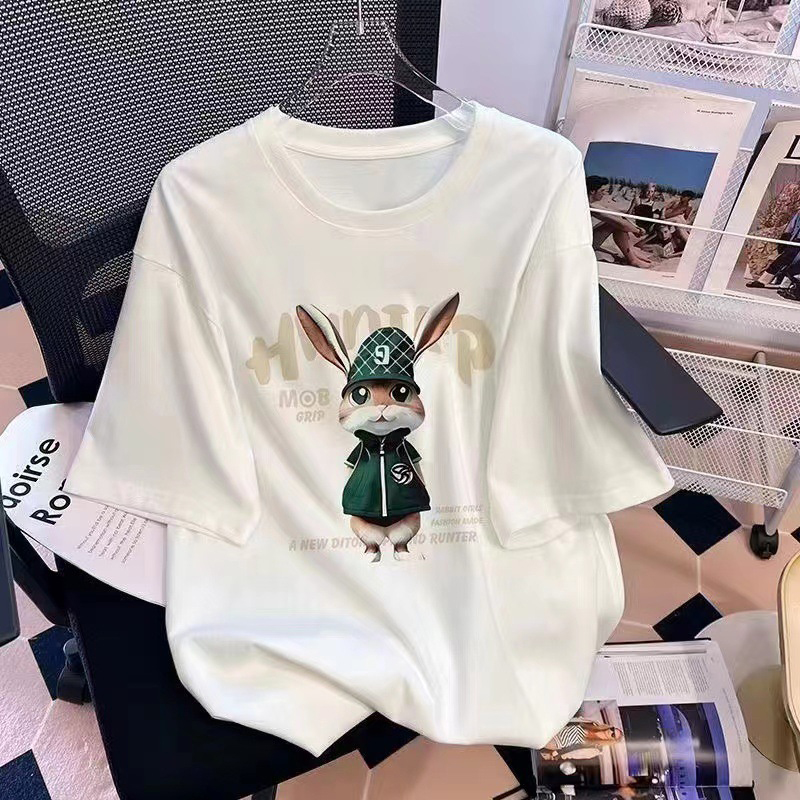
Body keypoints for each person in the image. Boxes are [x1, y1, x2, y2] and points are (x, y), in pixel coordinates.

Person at [587, 175, 653, 269]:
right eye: (602, 191)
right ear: (592, 191)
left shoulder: (589, 203)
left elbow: (614, 215)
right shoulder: (589, 206)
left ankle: (632, 253)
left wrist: (636, 228)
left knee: (617, 222)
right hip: (581, 244)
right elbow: (619, 223)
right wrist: (638, 231)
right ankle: (632, 259)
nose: (604, 193)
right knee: (616, 225)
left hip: (584, 239)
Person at [539, 716, 624, 762]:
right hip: (557, 729)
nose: (611, 731)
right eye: (612, 729)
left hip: (558, 742)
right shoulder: (594, 723)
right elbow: (576, 720)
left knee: (538, 740)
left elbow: (576, 754)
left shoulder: (596, 748)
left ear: (612, 740)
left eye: (613, 735)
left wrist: (559, 755)